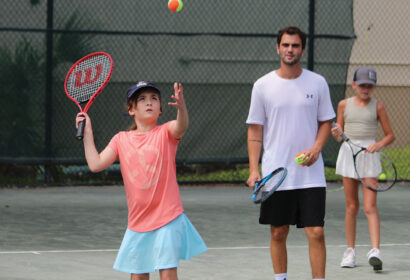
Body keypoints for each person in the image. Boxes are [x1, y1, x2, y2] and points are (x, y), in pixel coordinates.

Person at [75, 81, 207, 280]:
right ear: (131, 109)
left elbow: (181, 126)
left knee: (168, 272)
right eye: (142, 99)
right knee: (137, 277)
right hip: (138, 221)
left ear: (161, 110)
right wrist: (87, 134)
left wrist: (182, 108)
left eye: (154, 99)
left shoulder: (166, 133)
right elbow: (96, 164)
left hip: (167, 217)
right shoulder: (121, 139)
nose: (149, 103)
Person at [246, 26, 335, 280]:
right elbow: (255, 129)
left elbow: (326, 121)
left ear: (302, 50)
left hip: (311, 175)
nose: (290, 50)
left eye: (295, 46)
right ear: (278, 48)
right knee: (278, 231)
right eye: (285, 45)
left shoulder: (317, 83)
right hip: (276, 174)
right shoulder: (262, 85)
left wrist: (317, 148)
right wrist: (254, 169)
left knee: (316, 231)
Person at [331, 66, 394, 271]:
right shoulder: (343, 105)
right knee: (351, 207)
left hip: (369, 157)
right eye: (362, 85)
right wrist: (337, 132)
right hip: (349, 155)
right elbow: (339, 135)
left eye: (369, 85)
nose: (365, 89)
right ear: (354, 85)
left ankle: (375, 251)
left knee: (370, 207)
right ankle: (350, 251)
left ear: (373, 87)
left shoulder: (379, 107)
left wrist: (378, 145)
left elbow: (389, 135)